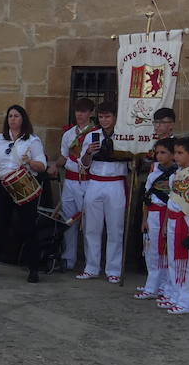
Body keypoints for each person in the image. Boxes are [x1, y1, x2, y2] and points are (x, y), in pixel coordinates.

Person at [0, 105, 47, 282]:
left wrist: (30, 161)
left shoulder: (32, 141)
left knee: (29, 228)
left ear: (23, 119)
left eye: (16, 116)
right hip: (3, 186)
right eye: (10, 116)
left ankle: (33, 268)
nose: (13, 119)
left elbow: (42, 166)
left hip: (23, 186)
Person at [77, 102, 129, 284]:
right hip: (95, 182)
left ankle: (113, 269)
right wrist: (89, 154)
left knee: (115, 228)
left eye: (107, 116)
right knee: (92, 227)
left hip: (116, 183)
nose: (104, 120)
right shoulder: (92, 135)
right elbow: (82, 164)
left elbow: (133, 161)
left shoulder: (124, 135)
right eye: (101, 117)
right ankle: (91, 267)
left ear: (115, 117)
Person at [160, 136, 189, 315]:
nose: (176, 156)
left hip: (185, 222)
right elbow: (171, 201)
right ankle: (174, 295)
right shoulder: (178, 173)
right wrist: (166, 223)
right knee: (174, 260)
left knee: (187, 263)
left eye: (181, 153)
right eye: (176, 153)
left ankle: (186, 301)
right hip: (173, 219)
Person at [52, 98, 97, 273]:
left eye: (84, 111)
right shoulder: (68, 134)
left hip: (88, 181)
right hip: (70, 181)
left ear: (91, 113)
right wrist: (55, 165)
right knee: (68, 220)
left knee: (87, 223)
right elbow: (64, 156)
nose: (80, 114)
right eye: (78, 111)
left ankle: (90, 264)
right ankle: (68, 259)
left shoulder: (95, 133)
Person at [136, 138, 176, 301]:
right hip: (152, 213)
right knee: (151, 250)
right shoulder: (154, 172)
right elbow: (147, 197)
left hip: (167, 213)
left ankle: (163, 285)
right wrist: (144, 219)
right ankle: (152, 284)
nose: (159, 156)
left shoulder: (176, 174)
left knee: (165, 251)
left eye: (163, 153)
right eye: (157, 152)